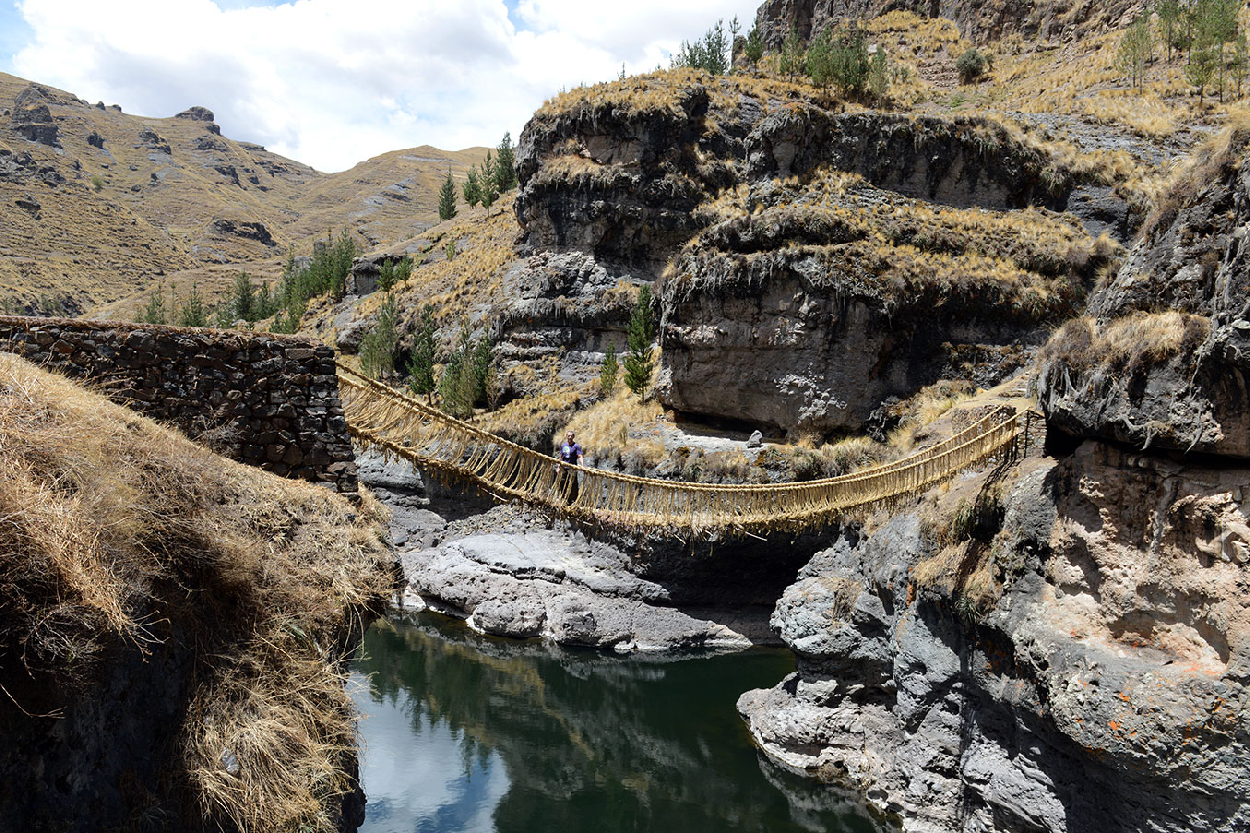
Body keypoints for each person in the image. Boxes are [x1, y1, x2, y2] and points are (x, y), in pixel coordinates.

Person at [557, 431, 583, 503]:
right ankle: (563, 498)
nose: (570, 437)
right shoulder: (563, 446)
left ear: (573, 437)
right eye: (568, 436)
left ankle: (574, 500)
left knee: (573, 483)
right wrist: (559, 467)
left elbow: (580, 456)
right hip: (564, 468)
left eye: (571, 436)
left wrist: (582, 465)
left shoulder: (576, 446)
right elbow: (561, 457)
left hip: (572, 468)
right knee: (562, 482)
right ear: (566, 436)